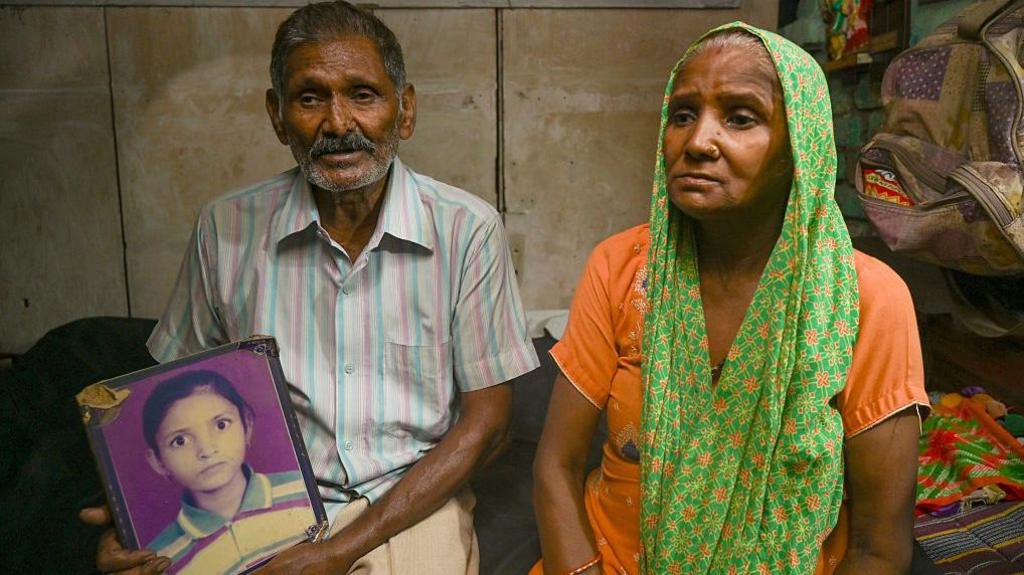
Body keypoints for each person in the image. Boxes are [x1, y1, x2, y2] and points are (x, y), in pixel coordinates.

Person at [79, 2, 539, 574]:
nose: (339, 123)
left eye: (364, 95)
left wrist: (335, 553)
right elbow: (173, 399)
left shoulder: (467, 230)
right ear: (277, 116)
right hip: (258, 505)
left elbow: (488, 425)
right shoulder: (224, 230)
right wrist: (135, 518)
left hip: (411, 502)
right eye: (309, 98)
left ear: (406, 110)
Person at [532, 22, 929, 575]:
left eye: (741, 117)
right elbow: (556, 465)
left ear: (801, 147)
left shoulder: (867, 299)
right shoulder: (622, 268)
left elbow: (879, 548)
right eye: (683, 114)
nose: (697, 142)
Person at [142, 370, 313, 574]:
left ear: (247, 424)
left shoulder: (302, 491)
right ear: (158, 461)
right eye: (180, 441)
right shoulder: (160, 558)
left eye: (221, 425)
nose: (206, 450)